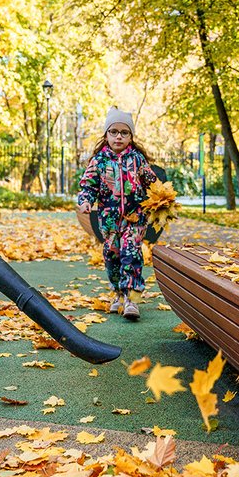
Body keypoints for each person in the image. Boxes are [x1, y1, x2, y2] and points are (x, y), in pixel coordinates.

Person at [77, 108, 158, 321]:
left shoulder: (138, 160)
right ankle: (118, 293)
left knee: (131, 254)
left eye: (124, 132)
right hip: (109, 220)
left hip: (135, 217)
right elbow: (88, 186)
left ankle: (132, 298)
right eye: (113, 132)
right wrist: (85, 201)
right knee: (112, 255)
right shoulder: (99, 161)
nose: (119, 136)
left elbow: (153, 185)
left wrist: (161, 201)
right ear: (106, 135)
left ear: (131, 136)